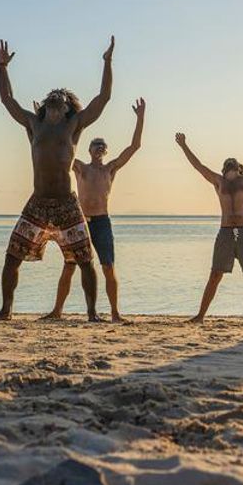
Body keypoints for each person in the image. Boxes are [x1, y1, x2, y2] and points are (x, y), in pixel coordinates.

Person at [0, 37, 114, 321]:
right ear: (45, 106)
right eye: (52, 100)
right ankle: (6, 310)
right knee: (12, 257)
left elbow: (103, 99)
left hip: (67, 202)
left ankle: (93, 313)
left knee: (84, 259)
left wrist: (107, 62)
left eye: (62, 101)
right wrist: (2, 67)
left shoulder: (74, 125)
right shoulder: (34, 123)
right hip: (38, 201)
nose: (56, 102)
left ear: (68, 108)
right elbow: (7, 100)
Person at [44, 98, 146, 323]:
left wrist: (140, 118)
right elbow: (59, 149)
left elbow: (134, 147)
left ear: (106, 151)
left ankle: (115, 313)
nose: (99, 147)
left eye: (102, 145)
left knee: (108, 266)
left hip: (101, 222)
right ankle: (57, 311)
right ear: (88, 150)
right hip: (80, 222)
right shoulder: (80, 168)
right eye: (95, 144)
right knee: (70, 265)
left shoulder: (110, 169)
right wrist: (47, 123)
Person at [176, 119, 243, 323]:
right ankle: (200, 316)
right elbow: (198, 166)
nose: (230, 166)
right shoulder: (219, 182)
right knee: (215, 274)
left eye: (233, 164)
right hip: (227, 232)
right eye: (227, 165)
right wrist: (184, 146)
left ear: (239, 168)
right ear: (224, 169)